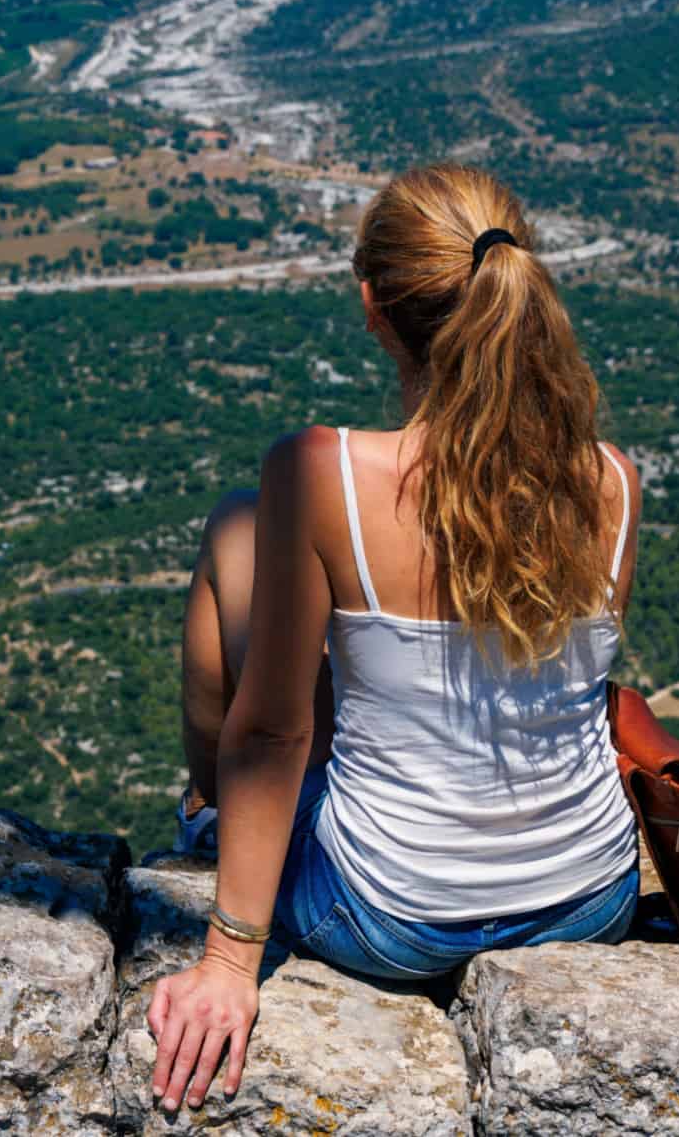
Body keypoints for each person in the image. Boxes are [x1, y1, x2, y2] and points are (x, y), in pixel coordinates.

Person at [148, 164, 642, 1114]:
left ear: (373, 306)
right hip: (592, 898)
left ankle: (206, 815)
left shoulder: (322, 468)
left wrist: (226, 960)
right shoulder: (611, 478)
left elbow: (276, 731)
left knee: (235, 531)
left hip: (389, 914)